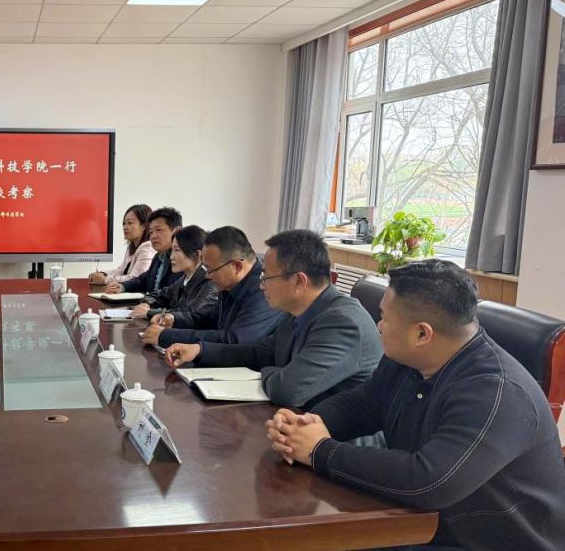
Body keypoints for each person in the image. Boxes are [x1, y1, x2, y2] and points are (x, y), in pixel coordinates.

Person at [266, 260, 565, 551]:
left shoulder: (497, 392)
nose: (379, 325)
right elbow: (363, 405)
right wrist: (303, 425)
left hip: (482, 542)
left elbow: (429, 480)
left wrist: (320, 451)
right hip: (421, 523)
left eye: (384, 317)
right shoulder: (408, 358)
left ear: (422, 333)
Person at [164, 229, 381, 409]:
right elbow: (259, 352)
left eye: (266, 276)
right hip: (295, 422)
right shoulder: (296, 312)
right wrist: (200, 350)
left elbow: (287, 390)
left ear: (299, 281)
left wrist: (270, 371)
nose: (261, 285)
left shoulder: (343, 323)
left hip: (334, 440)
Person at [143, 226, 281, 349]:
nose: (207, 276)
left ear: (237, 266)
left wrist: (168, 336)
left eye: (210, 270)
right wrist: (174, 319)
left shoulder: (263, 289)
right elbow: (209, 318)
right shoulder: (230, 283)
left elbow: (234, 340)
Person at [131, 226, 217, 335]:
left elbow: (192, 315)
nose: (171, 257)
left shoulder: (209, 282)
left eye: (176, 250)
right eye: (172, 250)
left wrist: (149, 312)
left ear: (197, 255)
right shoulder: (183, 280)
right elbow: (159, 295)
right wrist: (146, 304)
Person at [107, 207, 183, 295]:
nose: (153, 236)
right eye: (151, 232)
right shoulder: (159, 256)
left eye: (158, 230)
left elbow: (171, 296)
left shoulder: (183, 260)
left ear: (177, 231)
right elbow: (143, 280)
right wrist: (122, 286)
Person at [89, 204, 155, 286]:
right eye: (124, 223)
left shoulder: (147, 248)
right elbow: (121, 270)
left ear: (143, 227)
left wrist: (105, 280)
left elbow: (135, 279)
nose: (125, 227)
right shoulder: (131, 247)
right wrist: (102, 274)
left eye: (130, 223)